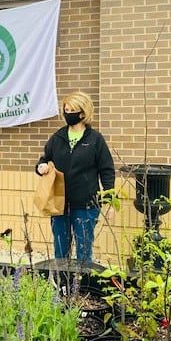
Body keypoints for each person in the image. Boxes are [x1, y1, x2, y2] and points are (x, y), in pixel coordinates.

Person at [36, 91, 115, 262]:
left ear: (83, 113)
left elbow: (107, 170)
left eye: (72, 110)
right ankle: (62, 286)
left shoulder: (95, 140)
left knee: (84, 252)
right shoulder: (58, 137)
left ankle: (82, 287)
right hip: (59, 204)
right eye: (66, 109)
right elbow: (44, 159)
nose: (68, 113)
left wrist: (109, 201)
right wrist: (40, 167)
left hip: (86, 205)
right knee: (60, 251)